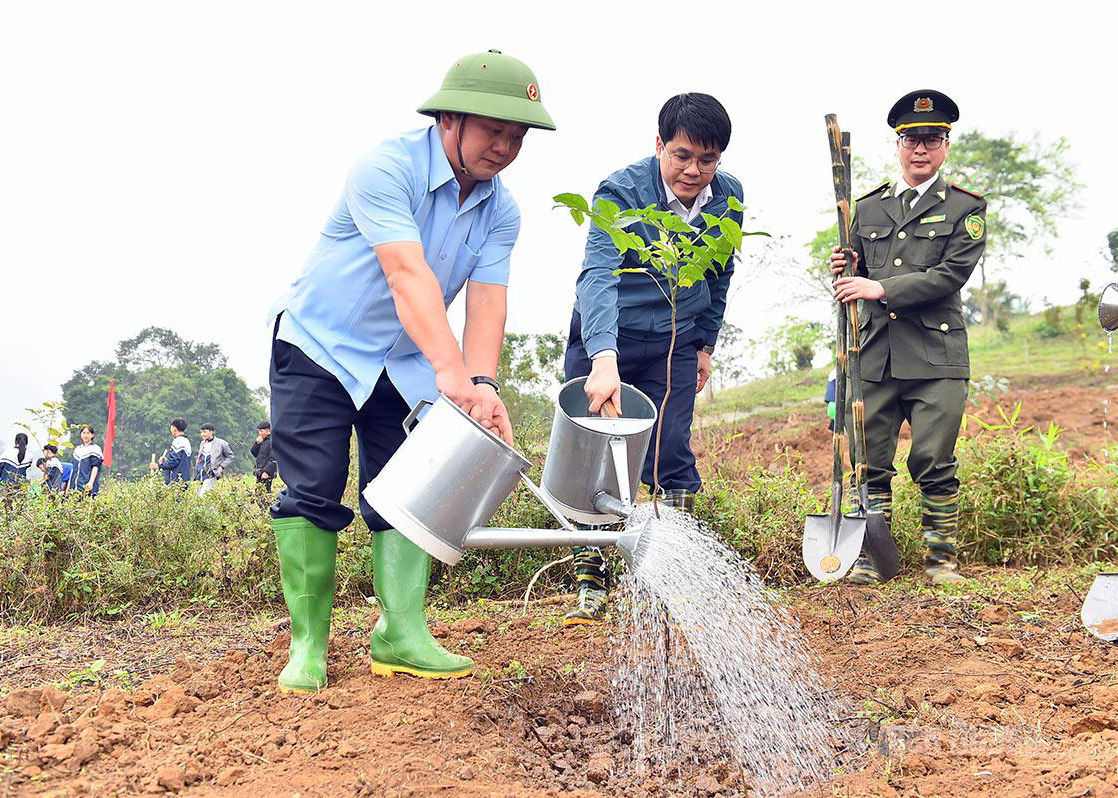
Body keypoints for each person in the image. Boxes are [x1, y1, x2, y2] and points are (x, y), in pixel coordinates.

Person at [266, 50, 555, 692]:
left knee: (405, 492)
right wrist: (450, 371)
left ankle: (400, 633)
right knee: (312, 490)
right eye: (493, 131)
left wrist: (481, 383)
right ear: (449, 119)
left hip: (403, 363)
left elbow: (487, 297)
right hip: (321, 346)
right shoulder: (385, 168)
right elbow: (407, 272)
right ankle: (308, 645)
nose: (505, 147)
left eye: (518, 136)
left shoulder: (501, 210)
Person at [559, 93, 743, 625]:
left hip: (676, 343)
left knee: (670, 449)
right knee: (597, 452)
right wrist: (603, 357)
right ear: (659, 145)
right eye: (682, 156)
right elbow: (598, 274)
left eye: (707, 161)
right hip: (606, 340)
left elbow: (720, 273)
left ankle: (668, 577)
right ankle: (591, 584)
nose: (693, 171)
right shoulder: (620, 191)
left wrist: (704, 343)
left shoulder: (727, 197)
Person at [830, 89, 986, 586]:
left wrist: (880, 286)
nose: (921, 149)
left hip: (936, 357)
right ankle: (872, 558)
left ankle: (942, 561)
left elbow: (950, 275)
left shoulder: (965, 208)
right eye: (911, 140)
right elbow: (852, 275)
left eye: (932, 139)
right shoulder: (865, 209)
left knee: (932, 458)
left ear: (945, 145)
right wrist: (845, 268)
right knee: (869, 461)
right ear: (898, 144)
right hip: (873, 353)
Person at [195, 423, 234, 494]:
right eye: (201, 432)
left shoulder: (222, 443)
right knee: (197, 495)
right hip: (200, 473)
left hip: (211, 473)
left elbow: (230, 456)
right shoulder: (202, 443)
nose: (202, 434)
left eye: (205, 432)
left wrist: (221, 466)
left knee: (204, 495)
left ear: (212, 432)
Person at [152, 418, 192, 484]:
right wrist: (167, 461)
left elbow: (174, 461)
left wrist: (160, 466)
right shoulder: (186, 440)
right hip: (184, 479)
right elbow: (179, 460)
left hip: (177, 480)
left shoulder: (178, 441)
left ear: (174, 428)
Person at [69, 425, 105, 496]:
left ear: (92, 435)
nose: (85, 435)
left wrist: (90, 482)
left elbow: (95, 467)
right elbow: (73, 469)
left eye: (88, 433)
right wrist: (69, 487)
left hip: (87, 485)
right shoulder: (77, 449)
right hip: (75, 487)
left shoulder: (95, 449)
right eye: (83, 433)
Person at [251, 421, 277, 493]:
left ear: (268, 431)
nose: (259, 433)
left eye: (261, 431)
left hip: (266, 473)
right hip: (259, 471)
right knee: (259, 493)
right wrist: (257, 443)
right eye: (259, 431)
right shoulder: (262, 441)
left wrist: (267, 472)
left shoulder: (273, 441)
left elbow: (274, 458)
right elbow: (254, 453)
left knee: (265, 494)